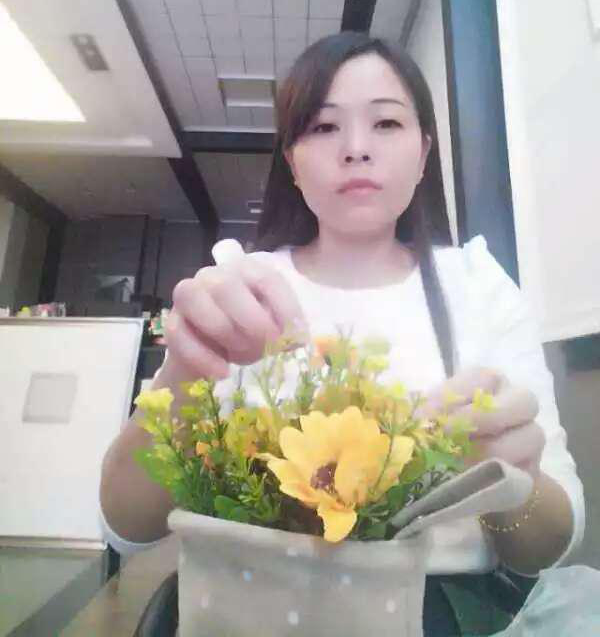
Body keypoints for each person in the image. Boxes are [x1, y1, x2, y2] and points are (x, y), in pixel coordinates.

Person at [100, 33, 584, 635]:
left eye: (386, 123)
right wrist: (183, 372)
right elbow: (126, 529)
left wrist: (513, 482)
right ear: (292, 162)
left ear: (424, 152)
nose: (356, 149)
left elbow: (546, 550)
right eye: (324, 127)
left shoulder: (478, 286)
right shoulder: (241, 287)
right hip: (247, 609)